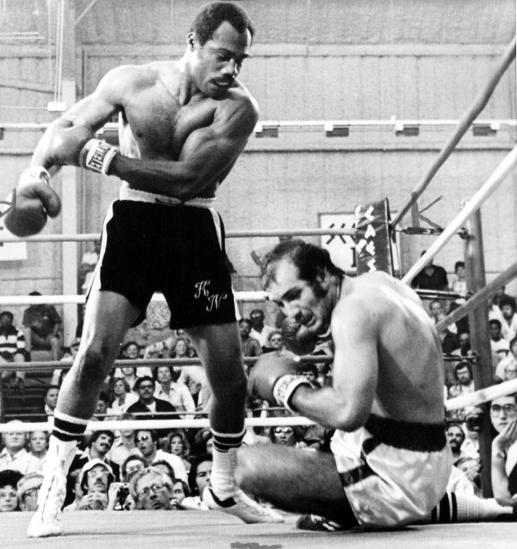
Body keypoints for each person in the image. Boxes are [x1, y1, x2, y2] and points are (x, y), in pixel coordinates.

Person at [16, 3, 281, 535]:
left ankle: (223, 486)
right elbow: (68, 126)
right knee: (94, 353)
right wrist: (35, 172)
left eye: (240, 61)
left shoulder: (238, 108)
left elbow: (186, 179)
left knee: (229, 377)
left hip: (194, 226)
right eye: (223, 56)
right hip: (134, 222)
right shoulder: (130, 83)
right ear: (193, 43)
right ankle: (53, 487)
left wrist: (100, 158)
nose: (231, 70)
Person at [241, 240, 517, 530]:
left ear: (322, 275)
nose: (290, 313)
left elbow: (347, 413)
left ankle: (356, 510)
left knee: (248, 464)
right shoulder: (380, 285)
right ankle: (484, 507)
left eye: (294, 295)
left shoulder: (352, 311)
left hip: (396, 474)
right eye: (280, 304)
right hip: (424, 460)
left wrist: (283, 385)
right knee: (336, 443)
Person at [21, 292, 63, 362]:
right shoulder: (28, 312)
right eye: (31, 300)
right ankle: (27, 354)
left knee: (54, 340)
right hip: (36, 337)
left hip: (48, 336)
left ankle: (55, 363)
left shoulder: (49, 308)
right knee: (26, 330)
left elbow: (57, 323)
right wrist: (33, 325)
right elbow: (26, 326)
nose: (33, 302)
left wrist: (54, 334)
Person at [490, 394, 517, 498]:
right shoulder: (504, 446)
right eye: (496, 409)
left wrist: (496, 448)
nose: (502, 416)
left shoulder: (498, 445)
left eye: (509, 408)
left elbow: (504, 501)